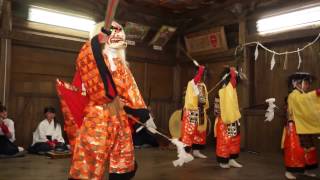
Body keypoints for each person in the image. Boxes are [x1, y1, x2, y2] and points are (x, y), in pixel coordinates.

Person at [56, 21, 154, 180]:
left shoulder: (122, 66)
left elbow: (131, 89)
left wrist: (139, 111)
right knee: (91, 159)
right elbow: (86, 63)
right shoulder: (92, 57)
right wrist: (96, 41)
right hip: (98, 116)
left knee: (123, 158)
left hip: (120, 117)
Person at [282, 72, 320, 179]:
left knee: (308, 148)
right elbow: (304, 100)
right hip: (294, 126)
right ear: (298, 84)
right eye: (306, 83)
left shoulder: (302, 95)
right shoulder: (293, 95)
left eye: (308, 83)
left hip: (304, 125)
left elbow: (307, 102)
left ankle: (305, 170)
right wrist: (315, 94)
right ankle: (289, 171)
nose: (308, 85)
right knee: (295, 150)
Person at [214, 67, 242, 168]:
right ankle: (223, 161)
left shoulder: (232, 89)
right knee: (224, 141)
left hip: (233, 119)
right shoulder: (222, 90)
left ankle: (231, 159)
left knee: (234, 140)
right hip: (224, 120)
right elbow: (216, 110)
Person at [180, 65, 209, 159]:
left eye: (203, 74)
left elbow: (205, 100)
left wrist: (204, 105)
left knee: (199, 132)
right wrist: (200, 71)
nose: (202, 76)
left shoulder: (203, 85)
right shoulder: (191, 83)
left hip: (200, 111)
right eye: (200, 74)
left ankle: (196, 151)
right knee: (189, 132)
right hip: (192, 111)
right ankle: (186, 152)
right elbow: (195, 82)